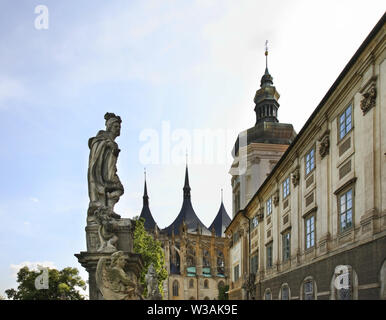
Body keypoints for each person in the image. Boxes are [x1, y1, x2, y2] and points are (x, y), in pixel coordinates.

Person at [87, 113, 124, 223]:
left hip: (110, 172)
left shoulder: (112, 143)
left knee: (119, 189)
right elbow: (96, 157)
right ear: (109, 126)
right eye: (116, 126)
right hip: (102, 176)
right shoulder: (102, 139)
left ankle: (109, 209)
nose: (118, 129)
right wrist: (107, 145)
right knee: (118, 188)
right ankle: (106, 209)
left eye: (119, 127)